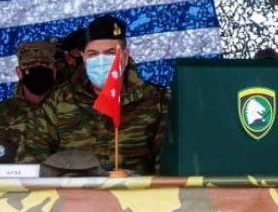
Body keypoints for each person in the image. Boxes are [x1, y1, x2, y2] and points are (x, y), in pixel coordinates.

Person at [19, 14, 169, 174]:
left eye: (110, 53)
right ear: (83, 58)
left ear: (124, 56)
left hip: (136, 189)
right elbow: (31, 158)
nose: (101, 60)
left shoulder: (156, 100)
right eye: (93, 54)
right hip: (73, 189)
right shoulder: (59, 101)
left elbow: (170, 165)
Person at [0, 40, 59, 151]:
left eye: (45, 64)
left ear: (54, 71)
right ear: (19, 72)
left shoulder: (70, 108)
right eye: (31, 64)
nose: (38, 68)